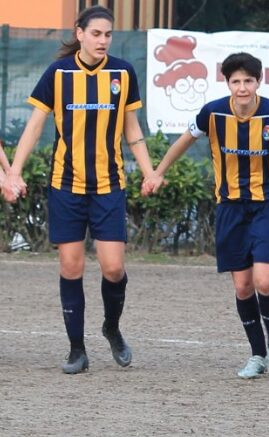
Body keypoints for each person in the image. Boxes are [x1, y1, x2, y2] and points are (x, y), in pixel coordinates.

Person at [1, 6, 156, 374]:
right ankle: (77, 350)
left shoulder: (122, 73)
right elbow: (35, 126)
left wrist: (149, 171)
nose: (103, 40)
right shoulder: (58, 73)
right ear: (80, 33)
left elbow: (132, 129)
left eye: (108, 34)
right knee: (71, 267)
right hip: (65, 185)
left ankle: (111, 328)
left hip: (109, 185)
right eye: (96, 33)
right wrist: (14, 172)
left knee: (113, 268)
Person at [143, 52, 269, 379]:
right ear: (227, 83)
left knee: (264, 280)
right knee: (243, 287)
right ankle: (257, 354)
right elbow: (183, 141)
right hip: (230, 207)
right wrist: (158, 172)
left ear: (258, 82)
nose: (242, 88)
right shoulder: (213, 112)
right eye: (236, 81)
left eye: (248, 81)